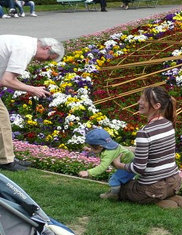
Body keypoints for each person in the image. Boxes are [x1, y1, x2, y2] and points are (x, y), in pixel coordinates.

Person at [111, 86, 182, 210]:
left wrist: (118, 164)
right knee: (157, 189)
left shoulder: (145, 132)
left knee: (122, 188)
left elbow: (139, 168)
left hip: (153, 188)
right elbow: (155, 150)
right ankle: (171, 197)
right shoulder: (169, 124)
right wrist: (127, 149)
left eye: (144, 100)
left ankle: (157, 201)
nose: (139, 102)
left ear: (157, 106)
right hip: (174, 183)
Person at [0, 36, 64, 171]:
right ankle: (6, 161)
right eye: (47, 58)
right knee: (2, 119)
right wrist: (32, 89)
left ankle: (7, 158)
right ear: (46, 48)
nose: (42, 62)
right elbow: (7, 80)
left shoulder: (25, 43)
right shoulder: (25, 49)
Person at [78, 128, 136, 199]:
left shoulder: (109, 153)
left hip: (129, 167)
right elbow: (98, 150)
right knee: (118, 178)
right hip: (128, 164)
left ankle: (114, 195)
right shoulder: (108, 146)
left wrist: (88, 172)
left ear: (100, 147)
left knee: (115, 179)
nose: (90, 148)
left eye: (91, 147)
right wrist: (90, 150)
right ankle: (119, 191)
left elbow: (102, 167)